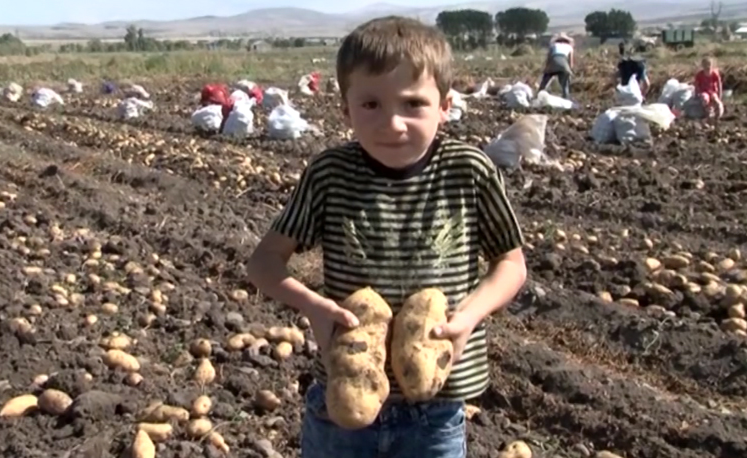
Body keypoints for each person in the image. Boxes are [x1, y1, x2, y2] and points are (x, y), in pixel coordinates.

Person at [246, 15, 527, 458]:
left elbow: (511, 264)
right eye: (371, 104)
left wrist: (468, 318)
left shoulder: (468, 172)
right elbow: (263, 263)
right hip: (343, 405)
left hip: (435, 411)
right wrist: (313, 306)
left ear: (445, 106)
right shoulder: (330, 175)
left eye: (413, 103)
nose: (392, 123)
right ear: (345, 110)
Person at [538, 32, 574, 99]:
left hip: (553, 62)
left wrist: (546, 69)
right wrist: (570, 71)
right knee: (565, 86)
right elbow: (571, 62)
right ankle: (566, 98)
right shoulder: (570, 47)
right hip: (564, 65)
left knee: (545, 81)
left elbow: (549, 58)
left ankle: (539, 95)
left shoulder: (553, 45)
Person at [694, 56, 724, 122]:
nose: (707, 67)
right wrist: (696, 93)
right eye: (705, 65)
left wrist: (720, 94)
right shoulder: (700, 75)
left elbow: (719, 84)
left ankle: (718, 114)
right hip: (704, 91)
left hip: (712, 91)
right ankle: (708, 112)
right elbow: (696, 85)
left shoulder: (714, 74)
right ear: (703, 66)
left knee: (716, 100)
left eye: (709, 65)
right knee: (704, 98)